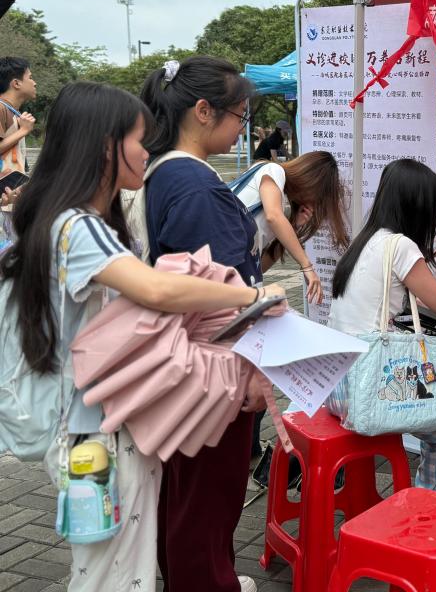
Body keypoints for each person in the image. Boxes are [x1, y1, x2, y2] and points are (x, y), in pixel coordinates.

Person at [0, 82, 286, 592]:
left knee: (112, 565)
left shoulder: (63, 220)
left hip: (87, 429)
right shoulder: (78, 227)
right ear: (104, 147)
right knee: (113, 574)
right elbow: (155, 289)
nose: (147, 150)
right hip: (97, 436)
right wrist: (250, 296)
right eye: (138, 138)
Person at [140, 57, 265, 592]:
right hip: (213, 367)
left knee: (185, 495)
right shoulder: (194, 185)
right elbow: (222, 295)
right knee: (207, 499)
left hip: (182, 362)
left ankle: (202, 577)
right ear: (203, 111)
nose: (242, 128)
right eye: (240, 115)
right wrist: (254, 370)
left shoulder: (163, 172)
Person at [328, 158, 436, 500]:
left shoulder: (367, 239)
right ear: (417, 206)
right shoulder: (400, 245)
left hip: (337, 384)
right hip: (370, 387)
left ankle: (428, 504)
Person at [233, 150, 348, 305]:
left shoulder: (283, 210)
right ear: (310, 180)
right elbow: (273, 216)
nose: (313, 203)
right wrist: (307, 266)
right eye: (317, 196)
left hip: (237, 278)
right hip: (222, 263)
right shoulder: (273, 170)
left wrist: (293, 227)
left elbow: (260, 267)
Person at [0, 56, 37, 174]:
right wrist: (23, 130)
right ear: (16, 83)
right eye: (30, 78)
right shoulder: (1, 108)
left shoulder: (12, 111)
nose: (34, 83)